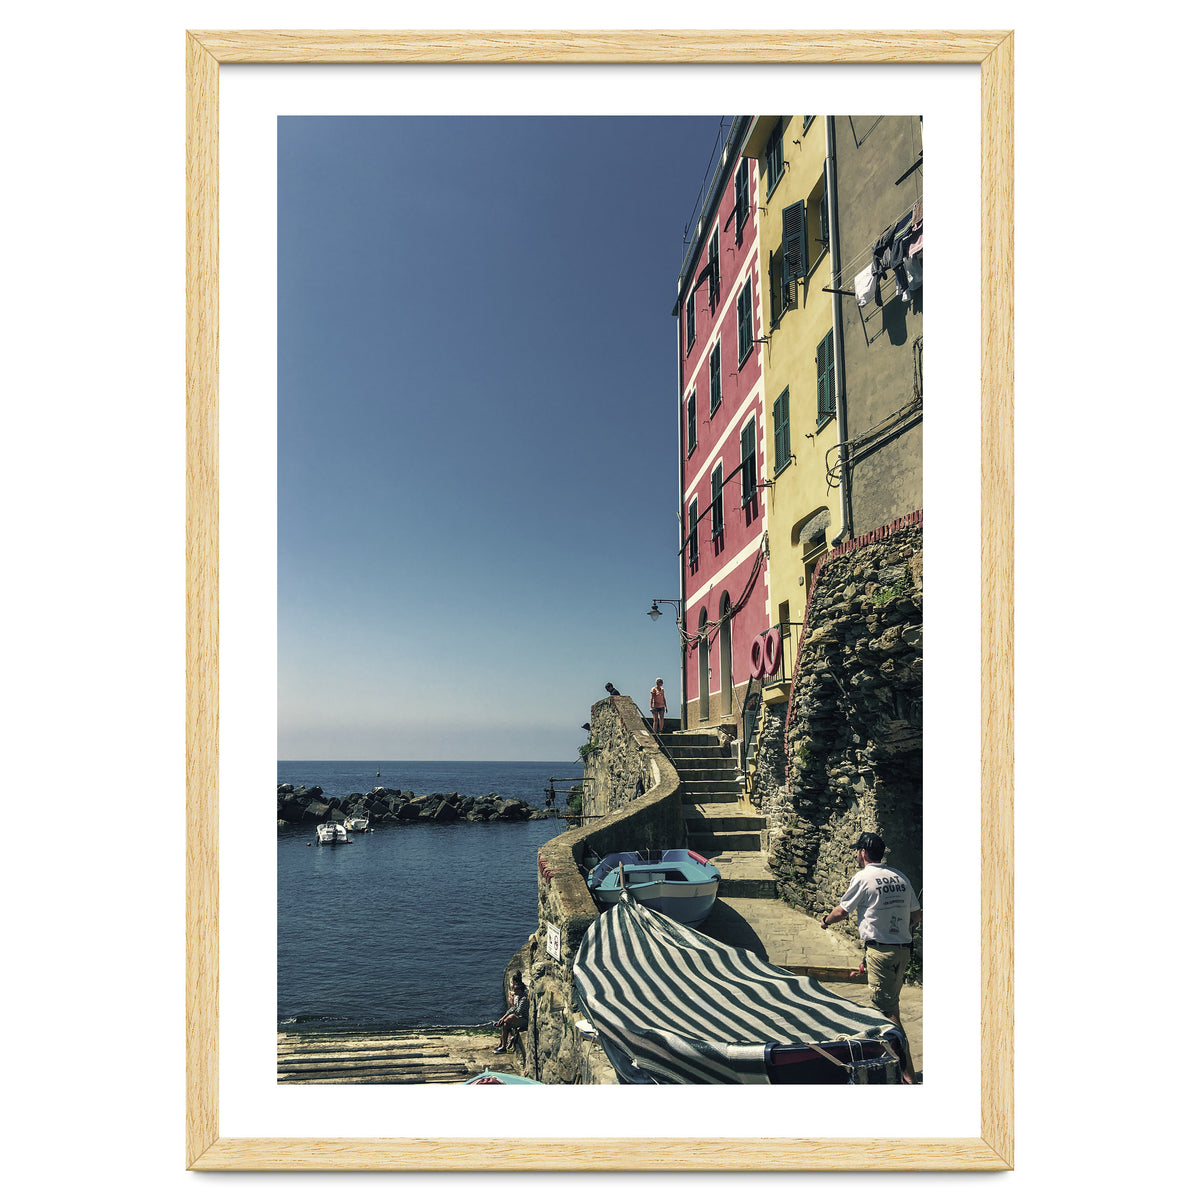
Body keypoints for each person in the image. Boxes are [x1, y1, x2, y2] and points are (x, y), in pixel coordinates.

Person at [819, 832, 921, 1082]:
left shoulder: (864, 877)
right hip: (902, 951)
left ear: (863, 852)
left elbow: (842, 911)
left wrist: (825, 921)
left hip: (881, 952)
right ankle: (896, 1066)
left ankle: (907, 1075)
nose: (856, 854)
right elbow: (916, 915)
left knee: (886, 1013)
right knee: (891, 1004)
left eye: (857, 850)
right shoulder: (900, 877)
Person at [493, 974, 529, 1053]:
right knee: (506, 1025)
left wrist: (508, 1016)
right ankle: (503, 1047)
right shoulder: (519, 996)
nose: (514, 991)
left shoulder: (523, 999)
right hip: (519, 1018)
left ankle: (501, 1025)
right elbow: (513, 1008)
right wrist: (503, 1017)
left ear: (520, 990)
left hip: (525, 1020)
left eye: (516, 990)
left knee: (511, 1017)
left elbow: (518, 1011)